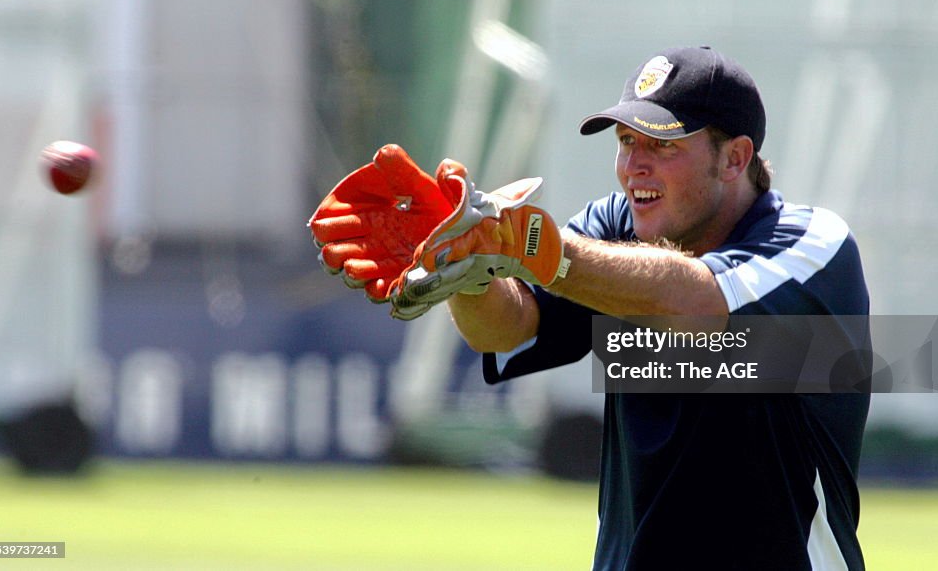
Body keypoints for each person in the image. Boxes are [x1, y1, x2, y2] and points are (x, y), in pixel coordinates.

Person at [311, 45, 870, 570]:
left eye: (663, 145)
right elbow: (508, 328)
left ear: (734, 158)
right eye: (626, 142)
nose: (634, 167)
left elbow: (692, 302)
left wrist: (526, 246)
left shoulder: (812, 244)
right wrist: (472, 268)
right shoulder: (617, 226)